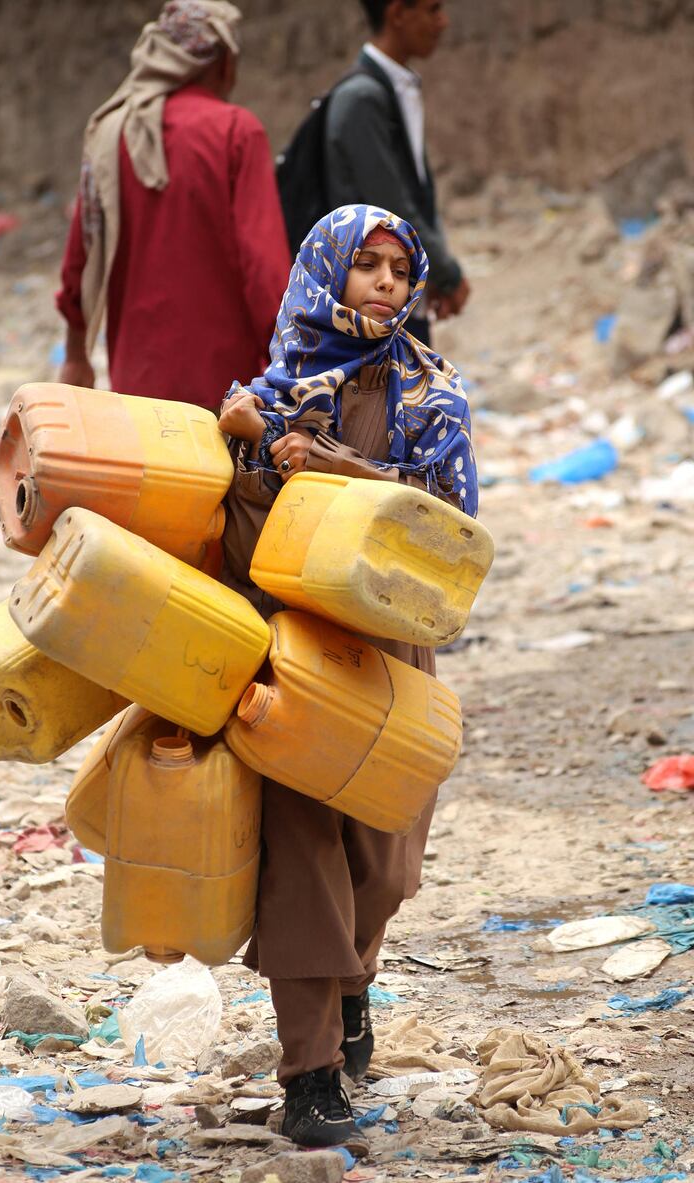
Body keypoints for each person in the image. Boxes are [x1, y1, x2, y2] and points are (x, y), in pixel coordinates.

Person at [218, 204, 477, 1152]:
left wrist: (335, 463)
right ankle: (310, 1069)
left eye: (397, 270)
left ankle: (352, 982)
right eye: (363, 265)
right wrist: (245, 451)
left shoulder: (431, 397)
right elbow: (236, 538)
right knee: (304, 849)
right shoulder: (269, 392)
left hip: (394, 649)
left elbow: (449, 530)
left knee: (386, 859)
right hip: (289, 649)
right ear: (325, 273)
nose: (383, 282)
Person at [55, 0, 291, 410]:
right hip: (230, 390)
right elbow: (265, 272)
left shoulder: (111, 133)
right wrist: (290, 366)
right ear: (221, 62)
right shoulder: (237, 132)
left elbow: (81, 259)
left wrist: (77, 356)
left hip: (136, 388)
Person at [320, 0, 469, 344]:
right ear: (398, 14)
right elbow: (393, 207)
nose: (442, 22)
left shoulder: (393, 88)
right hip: (371, 309)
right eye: (432, 10)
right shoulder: (363, 98)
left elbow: (414, 194)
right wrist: (448, 274)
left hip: (391, 299)